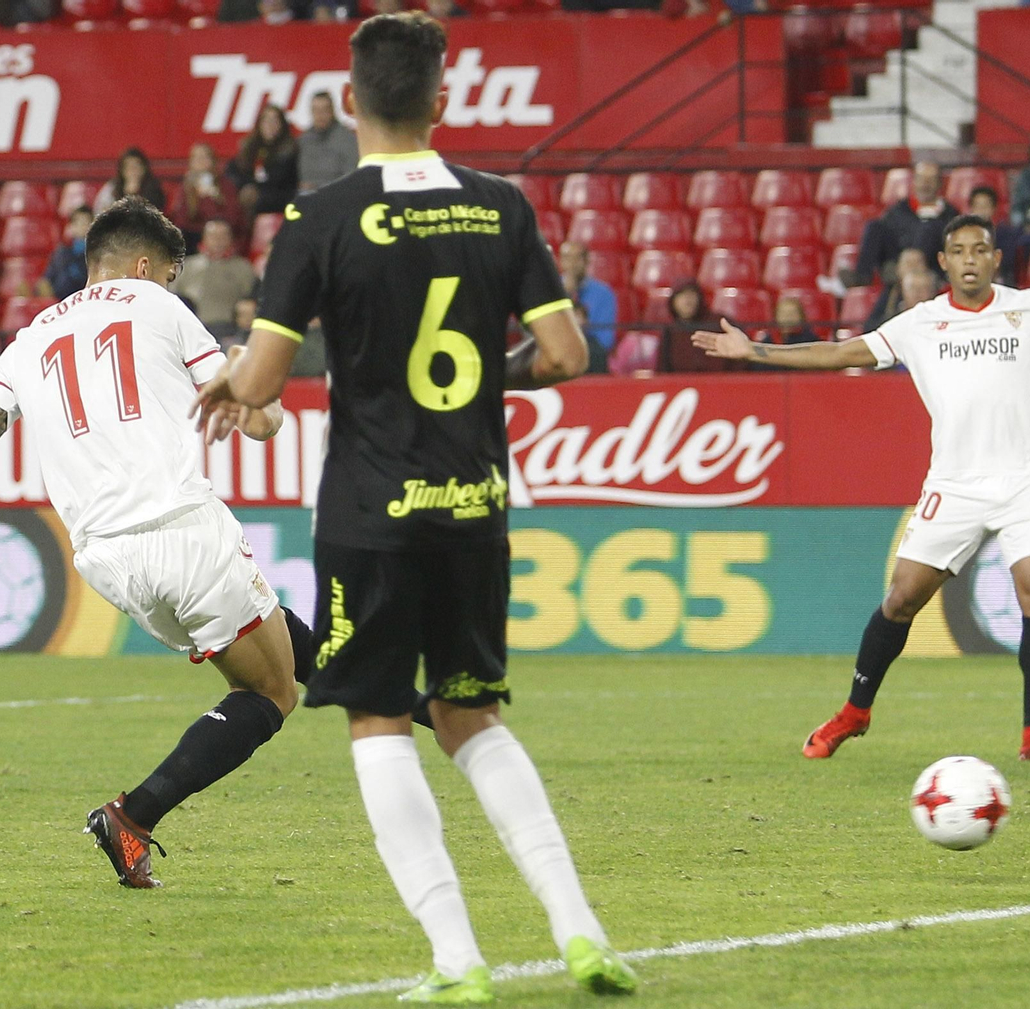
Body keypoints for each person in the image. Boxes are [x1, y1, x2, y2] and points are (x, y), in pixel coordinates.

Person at [189, 14, 635, 1002]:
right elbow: (565, 354)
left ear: (350, 104)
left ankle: (457, 960)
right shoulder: (502, 207)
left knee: (379, 719)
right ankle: (580, 930)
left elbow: (261, 379)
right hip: (473, 499)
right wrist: (482, 387)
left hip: (368, 510)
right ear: (442, 100)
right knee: (470, 713)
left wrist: (231, 375)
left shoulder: (321, 214)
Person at [0, 197, 320, 891]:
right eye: (169, 272)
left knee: (277, 631)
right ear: (143, 266)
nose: (170, 285)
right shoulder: (158, 306)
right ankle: (133, 814)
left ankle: (413, 698)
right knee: (272, 692)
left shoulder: (29, 338)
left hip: (107, 564)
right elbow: (260, 423)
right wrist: (255, 377)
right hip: (181, 528)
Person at [694, 214, 1030, 763]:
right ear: (944, 262)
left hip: (1025, 478)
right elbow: (840, 353)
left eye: (981, 249)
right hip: (953, 484)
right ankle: (855, 712)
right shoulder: (918, 323)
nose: (971, 259)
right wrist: (756, 352)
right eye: (959, 251)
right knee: (902, 596)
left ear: (997, 259)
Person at [851, 160, 955, 288]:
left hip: (930, 269)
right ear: (914, 182)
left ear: (939, 184)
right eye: (921, 179)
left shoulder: (950, 214)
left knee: (930, 227)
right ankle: (861, 278)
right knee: (874, 226)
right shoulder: (899, 210)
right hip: (896, 264)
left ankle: (905, 276)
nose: (925, 185)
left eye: (930, 180)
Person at [174, 219, 258, 332]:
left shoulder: (243, 268)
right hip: (191, 328)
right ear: (204, 238)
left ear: (231, 239)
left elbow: (251, 301)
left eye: (223, 236)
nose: (218, 240)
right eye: (213, 235)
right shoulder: (186, 266)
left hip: (230, 329)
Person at [226, 104, 298, 218]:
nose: (270, 125)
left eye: (275, 120)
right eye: (266, 120)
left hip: (278, 201)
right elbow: (232, 171)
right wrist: (246, 185)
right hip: (249, 197)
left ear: (282, 125)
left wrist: (256, 190)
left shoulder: (289, 151)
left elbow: (280, 180)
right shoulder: (248, 148)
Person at [170, 143, 243, 253]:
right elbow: (180, 221)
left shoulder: (226, 185)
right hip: (194, 238)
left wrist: (213, 197)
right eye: (196, 158)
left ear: (213, 161)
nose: (201, 161)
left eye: (205, 157)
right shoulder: (185, 187)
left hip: (220, 234)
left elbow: (234, 219)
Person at [557, 240, 618, 355]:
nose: (572, 264)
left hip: (590, 354)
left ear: (586, 261)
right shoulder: (551, 290)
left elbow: (605, 340)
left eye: (577, 258)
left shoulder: (604, 294)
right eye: (567, 258)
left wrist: (584, 327)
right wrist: (565, 294)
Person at [658, 278, 729, 373]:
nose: (687, 300)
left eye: (691, 294)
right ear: (673, 301)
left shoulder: (720, 324)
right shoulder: (669, 331)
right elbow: (663, 371)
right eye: (681, 295)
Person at [297, 91, 360, 193]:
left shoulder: (347, 139)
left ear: (332, 111)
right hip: (305, 196)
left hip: (336, 194)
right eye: (316, 110)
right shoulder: (304, 140)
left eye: (324, 110)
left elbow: (351, 176)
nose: (320, 115)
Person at [864, 246, 932, 331]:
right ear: (898, 268)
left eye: (917, 263)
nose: (913, 267)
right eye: (908, 263)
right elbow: (871, 326)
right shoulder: (890, 293)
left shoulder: (936, 294)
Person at [94, 147, 166, 214]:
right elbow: (100, 212)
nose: (132, 170)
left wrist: (133, 193)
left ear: (144, 168)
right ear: (122, 170)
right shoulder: (111, 188)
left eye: (136, 166)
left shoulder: (155, 191)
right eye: (128, 166)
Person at [42, 206, 92, 299]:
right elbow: (48, 278)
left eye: (86, 222)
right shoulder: (62, 252)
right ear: (71, 227)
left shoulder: (95, 253)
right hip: (59, 302)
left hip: (83, 300)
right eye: (78, 223)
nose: (83, 227)